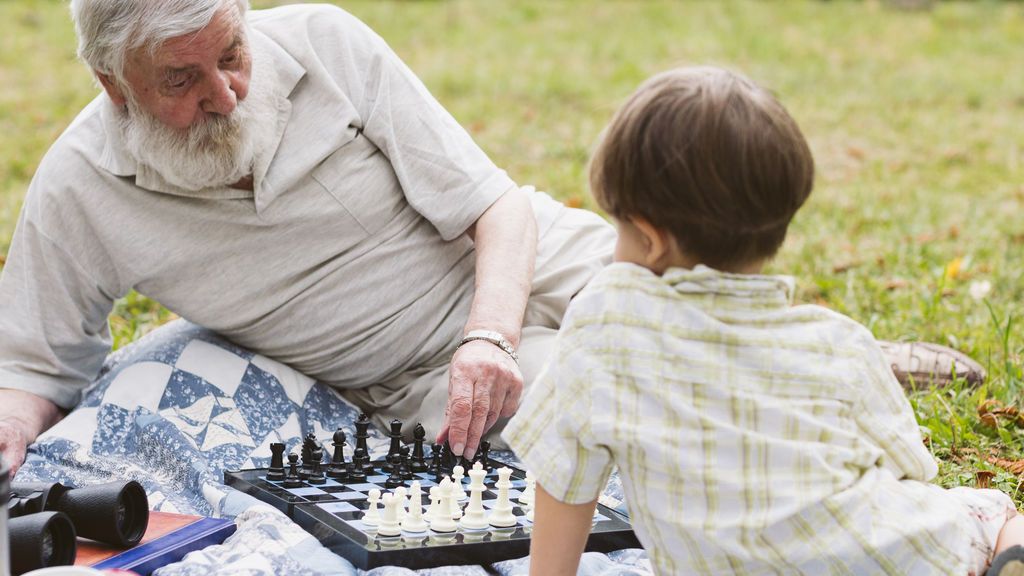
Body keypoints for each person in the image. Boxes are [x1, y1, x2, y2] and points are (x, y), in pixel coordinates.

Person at [0, 0, 615, 476]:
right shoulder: (77, 186)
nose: (224, 95)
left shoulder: (324, 41)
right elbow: (32, 365)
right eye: (180, 80)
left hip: (530, 260)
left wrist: (491, 335)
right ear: (114, 84)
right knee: (620, 396)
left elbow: (494, 205)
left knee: (698, 303)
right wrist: (11, 430)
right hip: (421, 371)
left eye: (232, 54)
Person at [502, 67, 1024, 576]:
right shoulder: (840, 344)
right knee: (992, 510)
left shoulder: (604, 325)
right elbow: (912, 468)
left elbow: (562, 475)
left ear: (648, 237)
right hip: (898, 557)